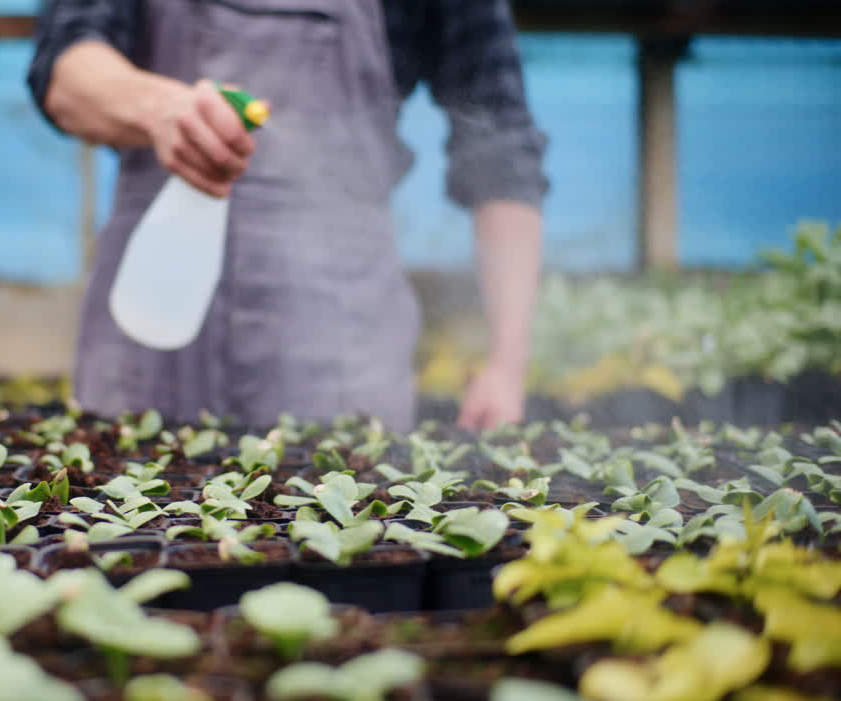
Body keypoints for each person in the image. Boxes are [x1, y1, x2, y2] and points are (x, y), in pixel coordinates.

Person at [27, 0, 548, 433]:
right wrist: (160, 109)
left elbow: (501, 145)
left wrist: (506, 365)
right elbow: (66, 71)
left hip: (341, 345)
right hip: (153, 332)